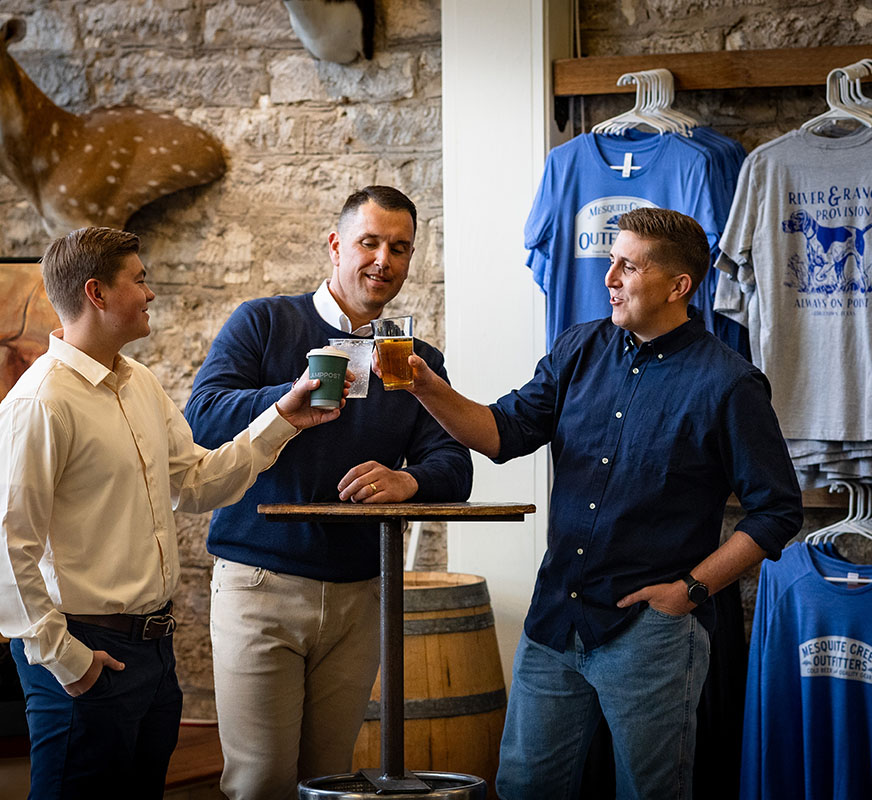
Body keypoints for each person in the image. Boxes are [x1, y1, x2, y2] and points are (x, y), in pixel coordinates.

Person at [397, 207, 804, 799]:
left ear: (677, 286)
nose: (608, 277)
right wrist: (423, 385)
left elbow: (777, 511)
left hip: (652, 631)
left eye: (627, 266)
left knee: (650, 792)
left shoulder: (729, 384)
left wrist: (687, 592)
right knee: (523, 787)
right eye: (610, 261)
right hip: (555, 621)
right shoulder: (578, 348)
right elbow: (500, 434)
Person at [0, 226, 346, 798]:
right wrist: (68, 661)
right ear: (97, 293)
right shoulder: (40, 403)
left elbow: (196, 484)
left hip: (154, 655)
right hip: (86, 654)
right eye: (139, 280)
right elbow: (10, 549)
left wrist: (283, 417)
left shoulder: (139, 383)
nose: (151, 293)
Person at [183, 185, 473, 799]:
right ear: (336, 245)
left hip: (362, 594)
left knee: (330, 782)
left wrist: (410, 479)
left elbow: (454, 463)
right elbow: (202, 419)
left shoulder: (413, 357)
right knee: (260, 781)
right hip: (260, 582)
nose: (383, 261)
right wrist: (290, 396)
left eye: (400, 248)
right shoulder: (264, 322)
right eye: (369, 243)